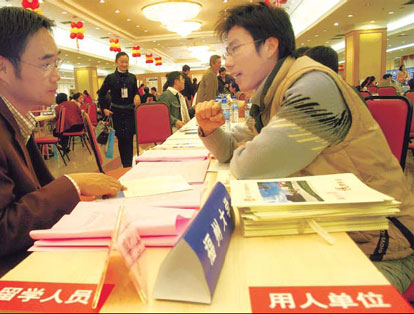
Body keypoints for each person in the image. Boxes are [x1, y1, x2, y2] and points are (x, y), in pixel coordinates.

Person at [195, 2, 413, 293]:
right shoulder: (272, 93)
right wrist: (210, 130)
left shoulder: (312, 86)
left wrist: (246, 148)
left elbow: (248, 167)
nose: (227, 62)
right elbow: (232, 149)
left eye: (234, 49)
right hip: (328, 230)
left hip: (379, 247)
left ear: (270, 45)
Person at [0, 8, 125, 313]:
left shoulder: (4, 115)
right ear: (2, 68)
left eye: (56, 62)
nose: (56, 75)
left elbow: (35, 194)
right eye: (45, 64)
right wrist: (72, 184)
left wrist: (77, 194)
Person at [97, 51, 141, 168]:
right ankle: (125, 165)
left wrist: (137, 95)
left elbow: (135, 91)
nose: (124, 64)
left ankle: (129, 165)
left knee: (129, 138)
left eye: (126, 62)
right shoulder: (110, 78)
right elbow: (101, 94)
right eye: (122, 62)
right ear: (116, 62)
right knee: (122, 140)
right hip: (117, 113)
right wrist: (104, 109)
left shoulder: (132, 77)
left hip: (130, 112)